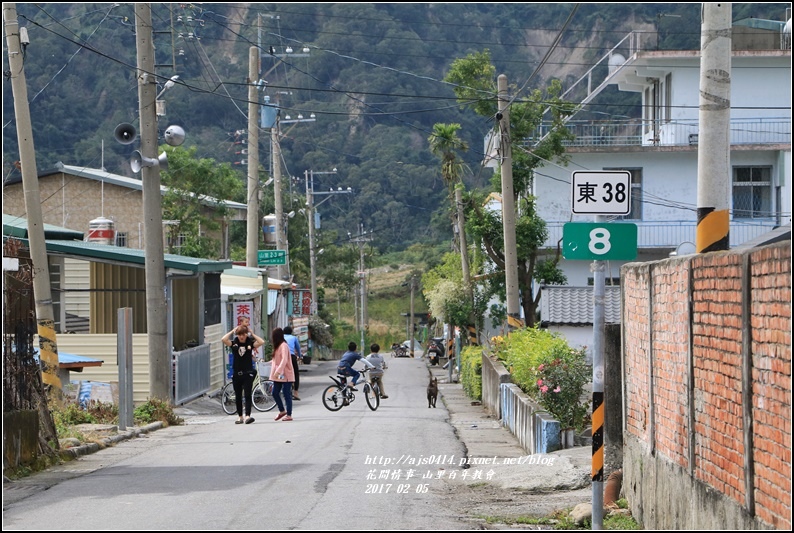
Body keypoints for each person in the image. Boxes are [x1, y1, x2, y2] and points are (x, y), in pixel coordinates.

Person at [222, 325, 266, 424]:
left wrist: (252, 333)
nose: (242, 336)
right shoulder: (234, 344)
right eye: (240, 334)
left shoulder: (250, 343)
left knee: (247, 395)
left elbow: (261, 342)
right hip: (237, 373)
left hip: (247, 373)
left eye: (244, 334)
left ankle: (248, 416)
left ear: (247, 334)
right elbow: (223, 339)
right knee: (238, 396)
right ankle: (240, 416)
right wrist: (232, 331)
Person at [269, 327, 295, 421]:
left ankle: (289, 414)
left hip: (286, 374)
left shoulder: (283, 345)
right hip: (279, 375)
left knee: (286, 393)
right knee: (275, 392)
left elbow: (284, 359)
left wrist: (278, 371)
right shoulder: (277, 346)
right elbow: (275, 360)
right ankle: (282, 411)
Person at [283, 326, 302, 401]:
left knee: (283, 373)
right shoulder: (294, 338)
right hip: (291, 356)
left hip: (283, 356)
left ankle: (285, 391)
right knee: (296, 374)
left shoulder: (281, 337)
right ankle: (296, 393)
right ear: (291, 332)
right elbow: (298, 348)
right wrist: (300, 356)